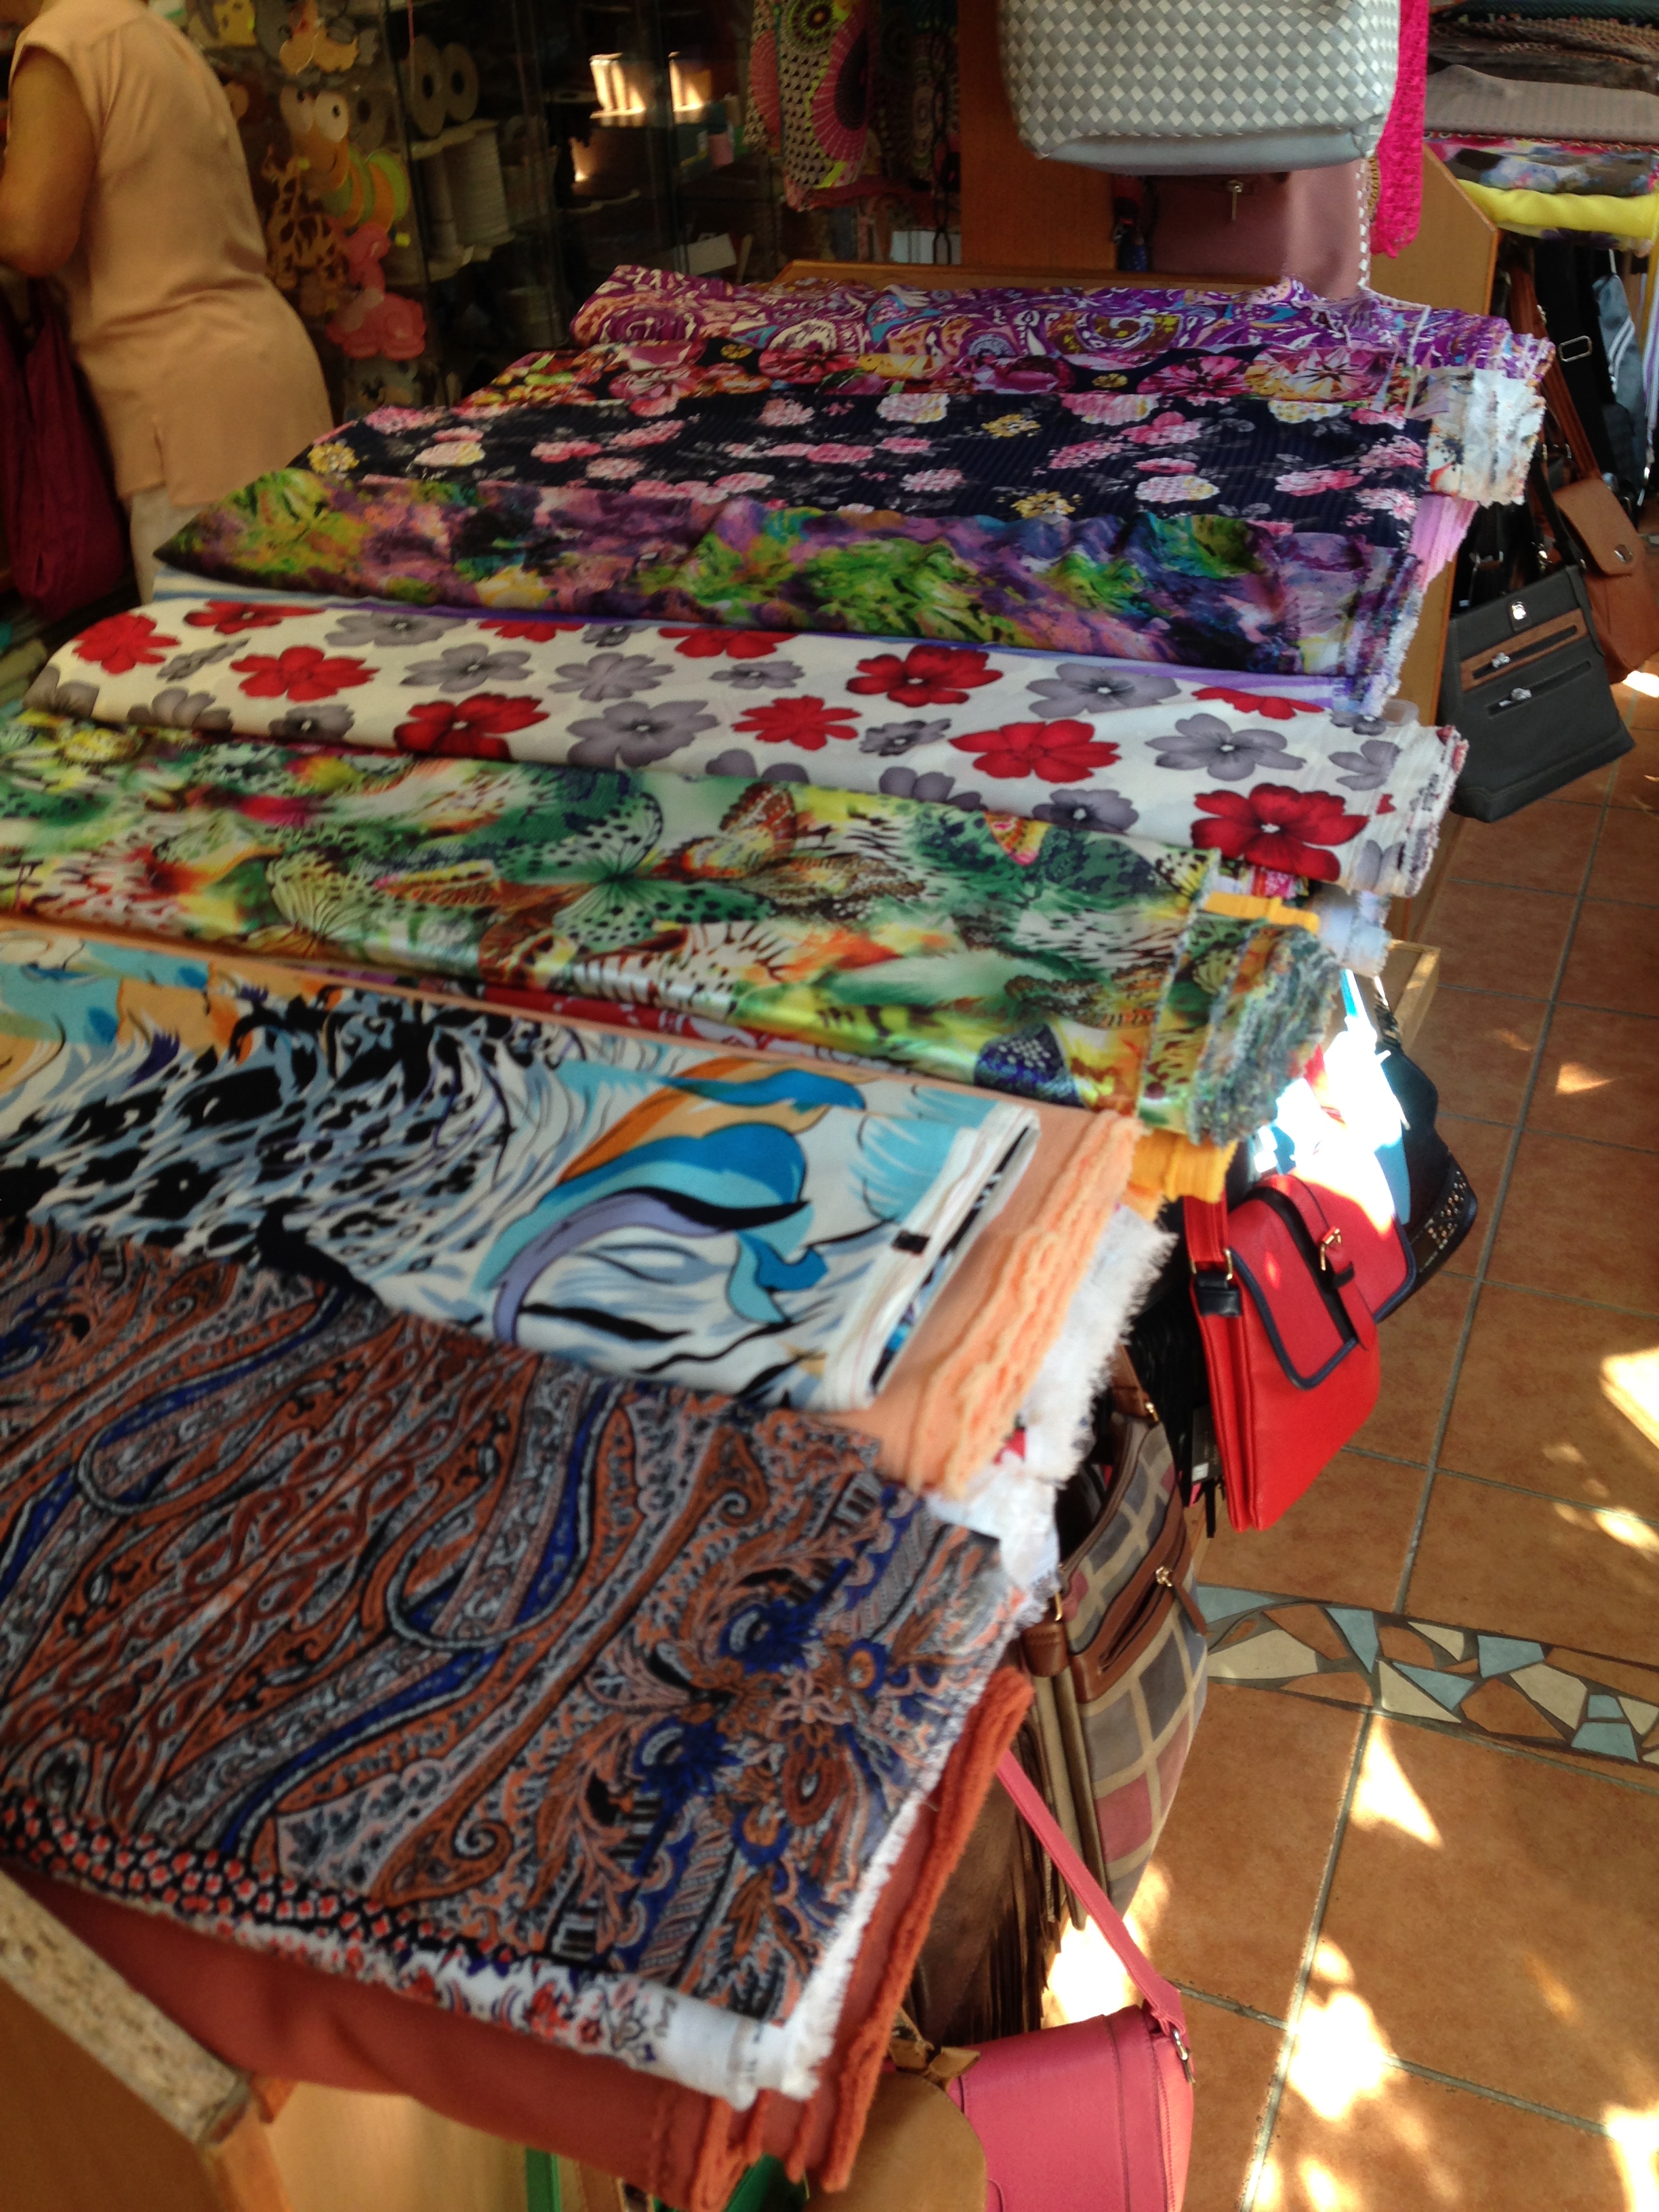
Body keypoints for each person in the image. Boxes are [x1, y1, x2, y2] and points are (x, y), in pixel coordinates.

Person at [0, 0, 332, 595]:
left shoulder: (59, 45)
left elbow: (32, 236)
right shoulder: (147, 30)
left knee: (220, 649)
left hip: (189, 425)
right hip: (268, 379)